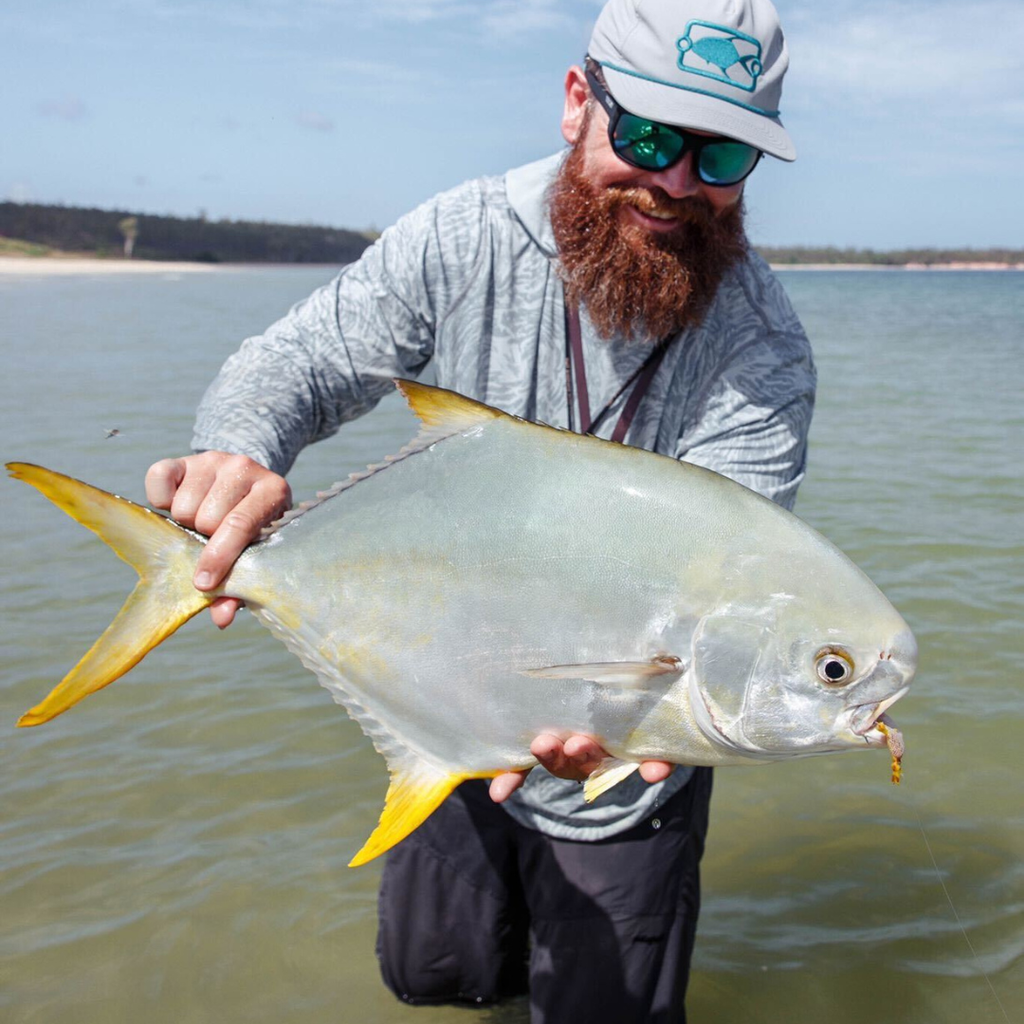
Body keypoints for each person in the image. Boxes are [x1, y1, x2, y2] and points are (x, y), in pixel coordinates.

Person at [145, 0, 815, 1019]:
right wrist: (239, 449)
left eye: (720, 155)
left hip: (627, 769)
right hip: (440, 708)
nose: (676, 183)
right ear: (576, 102)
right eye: (646, 136)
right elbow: (299, 360)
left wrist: (626, 711)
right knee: (433, 972)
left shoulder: (761, 352)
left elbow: (729, 588)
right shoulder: (460, 239)